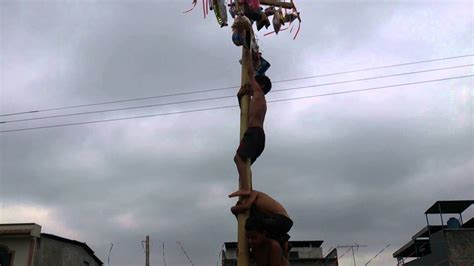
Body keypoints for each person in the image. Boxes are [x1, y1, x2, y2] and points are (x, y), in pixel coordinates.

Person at [229, 48, 272, 198]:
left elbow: (250, 74)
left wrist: (248, 58)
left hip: (255, 133)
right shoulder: (255, 101)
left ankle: (246, 189)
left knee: (239, 158)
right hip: (255, 134)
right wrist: (239, 96)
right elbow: (244, 114)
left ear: (263, 87)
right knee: (244, 165)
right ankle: (248, 190)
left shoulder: (260, 95)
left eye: (257, 84)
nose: (253, 86)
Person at [231, 190, 293, 255]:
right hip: (279, 223)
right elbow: (247, 224)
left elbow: (246, 206)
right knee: (258, 230)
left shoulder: (255, 193)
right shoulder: (257, 209)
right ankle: (282, 240)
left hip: (282, 220)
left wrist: (232, 209)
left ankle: (284, 241)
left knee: (257, 225)